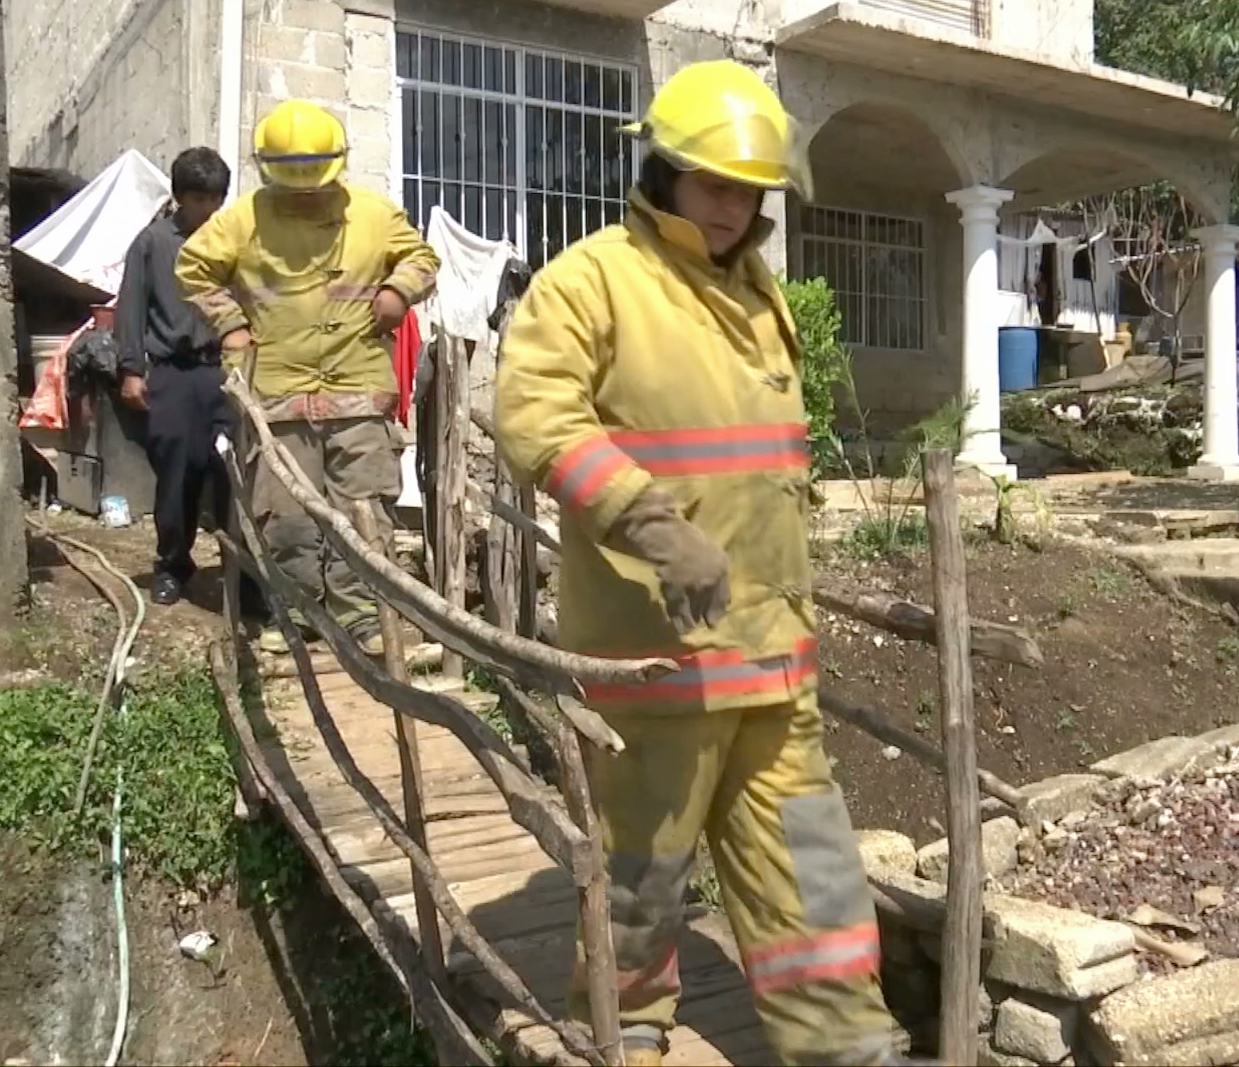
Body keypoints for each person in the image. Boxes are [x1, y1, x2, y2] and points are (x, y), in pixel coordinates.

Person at [495, 61, 910, 1067]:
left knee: (811, 865)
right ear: (665, 172)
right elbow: (533, 414)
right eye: (715, 184)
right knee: (642, 870)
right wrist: (646, 518)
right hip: (656, 659)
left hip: (774, 654)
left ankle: (846, 1044)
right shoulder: (594, 279)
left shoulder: (761, 293)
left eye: (749, 190)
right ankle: (626, 1026)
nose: (733, 209)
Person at [177, 100, 439, 653]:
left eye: (313, 182)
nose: (303, 193)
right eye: (290, 184)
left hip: (357, 393)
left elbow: (422, 258)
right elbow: (193, 268)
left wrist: (398, 292)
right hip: (277, 394)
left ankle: (363, 618)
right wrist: (230, 327)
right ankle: (294, 617)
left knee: (363, 513)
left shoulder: (373, 215)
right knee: (287, 520)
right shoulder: (242, 220)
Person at [114, 146, 233, 606]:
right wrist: (130, 369)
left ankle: (241, 572)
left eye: (215, 200)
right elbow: (131, 308)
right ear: (180, 196)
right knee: (176, 475)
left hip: (225, 372)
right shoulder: (153, 243)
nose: (207, 209)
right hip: (174, 374)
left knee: (232, 475)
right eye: (199, 199)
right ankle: (172, 565)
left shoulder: (232, 243)